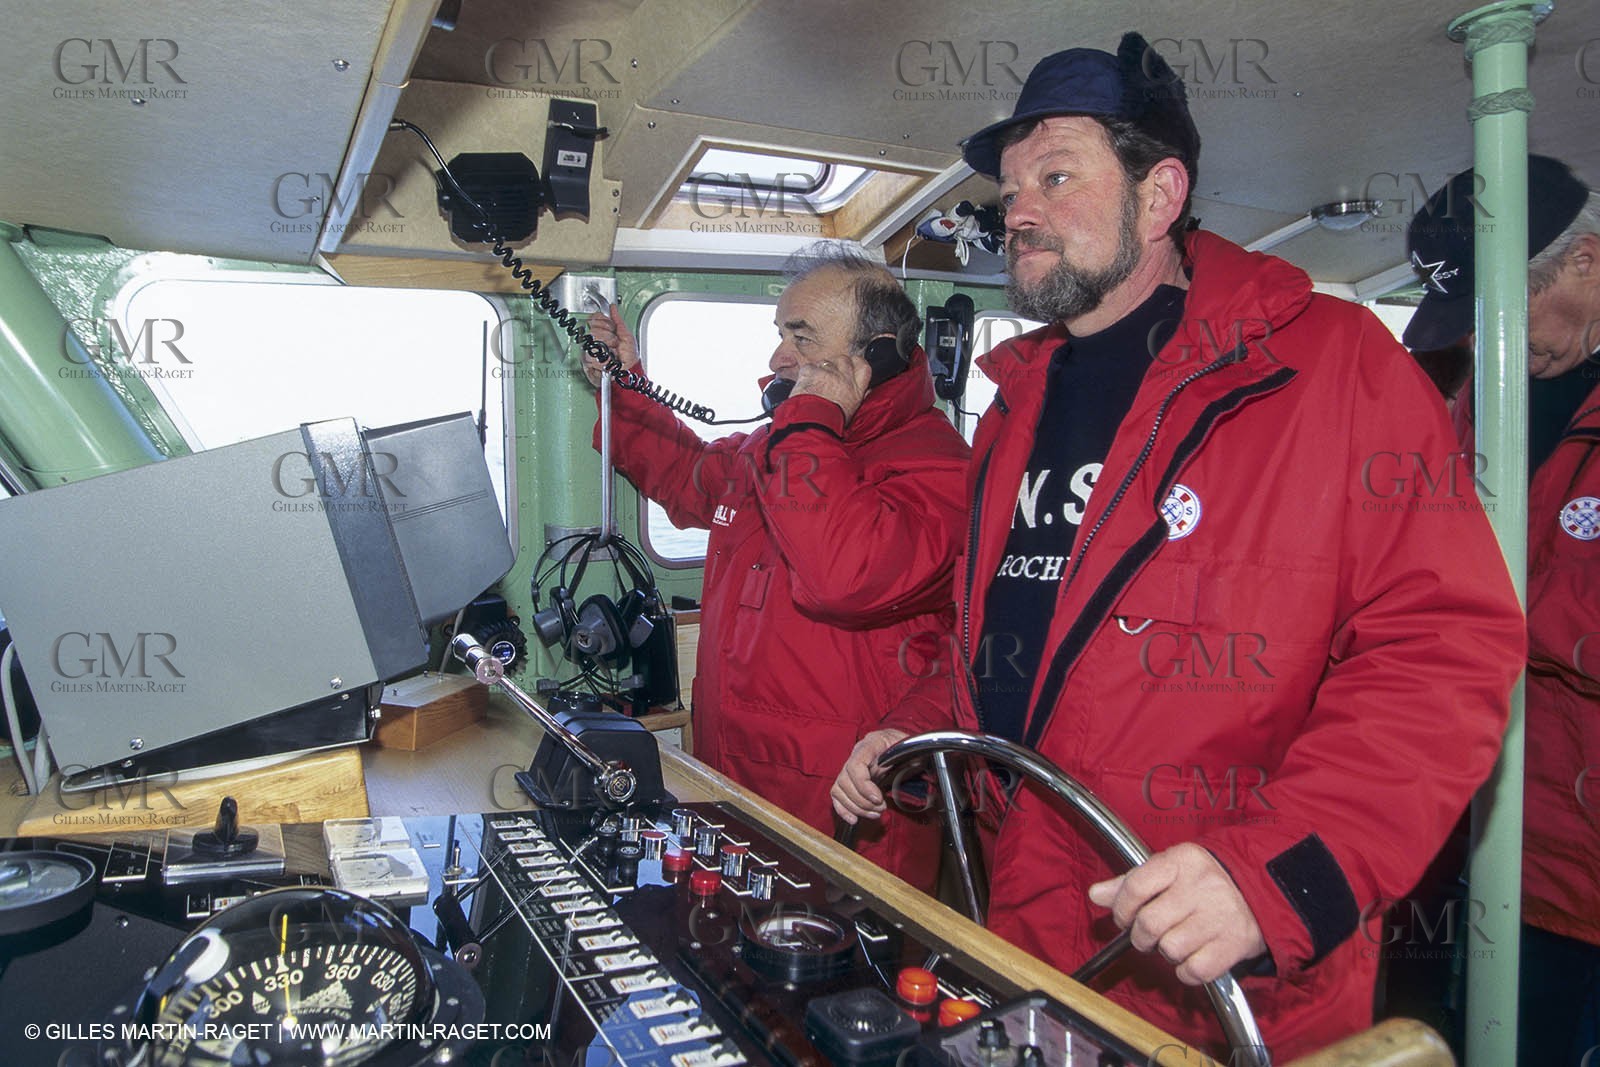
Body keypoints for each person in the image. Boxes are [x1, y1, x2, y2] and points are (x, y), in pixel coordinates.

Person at [830, 32, 1525, 1061]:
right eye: (1011, 185)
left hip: (1217, 969)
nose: (1016, 209)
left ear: (1157, 198)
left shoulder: (1331, 371)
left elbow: (1442, 653)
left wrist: (1278, 874)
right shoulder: (1013, 403)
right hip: (1024, 928)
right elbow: (1006, 643)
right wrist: (907, 727)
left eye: (1055, 176)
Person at [582, 242, 970, 886]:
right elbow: (687, 476)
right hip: (731, 768)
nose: (777, 358)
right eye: (779, 334)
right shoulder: (780, 443)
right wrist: (622, 389)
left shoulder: (938, 468)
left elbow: (844, 576)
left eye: (801, 336)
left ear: (876, 352)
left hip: (844, 801)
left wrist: (812, 417)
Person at [1403, 155, 1600, 1067]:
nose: (1487, 343)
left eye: (1505, 310)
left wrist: (1486, 609)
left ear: (1586, 261)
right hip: (1496, 843)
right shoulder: (1481, 398)